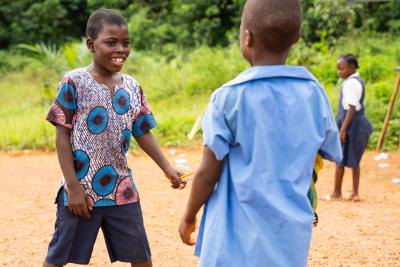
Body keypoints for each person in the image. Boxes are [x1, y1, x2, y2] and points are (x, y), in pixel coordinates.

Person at [178, 0, 342, 266]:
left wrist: (189, 216)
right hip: (289, 238)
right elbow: (326, 150)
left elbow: (208, 172)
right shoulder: (314, 93)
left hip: (232, 242)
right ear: (297, 38)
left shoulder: (229, 97)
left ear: (247, 37)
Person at [43, 9, 184, 267]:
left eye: (126, 42)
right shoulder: (74, 82)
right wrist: (72, 186)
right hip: (81, 192)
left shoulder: (131, 86)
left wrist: (168, 168)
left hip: (122, 189)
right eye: (111, 42)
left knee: (141, 256)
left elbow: (142, 130)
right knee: (58, 256)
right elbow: (62, 134)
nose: (121, 49)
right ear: (91, 45)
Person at [329, 54, 373, 202]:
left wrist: (342, 129)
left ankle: (338, 192)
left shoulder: (351, 83)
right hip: (352, 122)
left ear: (352, 67)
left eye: (342, 68)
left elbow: (352, 108)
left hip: (351, 123)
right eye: (338, 69)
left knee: (342, 158)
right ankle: (353, 192)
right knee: (352, 158)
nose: (339, 72)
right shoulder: (353, 81)